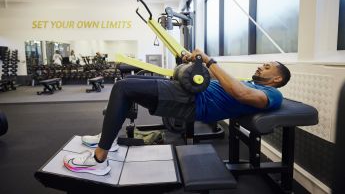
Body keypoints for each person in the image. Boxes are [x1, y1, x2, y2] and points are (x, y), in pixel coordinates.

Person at [63, 49, 291, 175]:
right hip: (189, 92)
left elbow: (240, 94)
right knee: (128, 85)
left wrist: (210, 62)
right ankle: (108, 140)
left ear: (277, 78)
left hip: (193, 101)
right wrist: (195, 63)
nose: (261, 66)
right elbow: (222, 83)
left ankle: (99, 159)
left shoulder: (272, 95)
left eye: (267, 67)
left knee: (123, 87)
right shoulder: (248, 82)